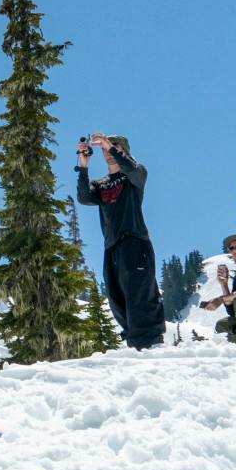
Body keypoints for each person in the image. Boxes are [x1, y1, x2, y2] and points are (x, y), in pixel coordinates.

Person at [75, 133, 165, 349]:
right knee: (116, 296)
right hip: (112, 246)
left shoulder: (135, 175)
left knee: (139, 292)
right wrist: (84, 165)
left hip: (135, 241)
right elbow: (84, 197)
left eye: (114, 148)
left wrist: (111, 147)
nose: (108, 152)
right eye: (105, 149)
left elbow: (133, 170)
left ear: (124, 151)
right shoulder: (101, 184)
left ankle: (151, 342)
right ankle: (133, 341)